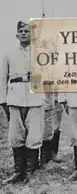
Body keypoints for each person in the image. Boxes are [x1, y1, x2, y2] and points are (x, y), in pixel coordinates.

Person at [1, 21, 46, 184]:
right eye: (21, 31)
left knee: (34, 135)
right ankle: (19, 172)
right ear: (16, 35)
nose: (24, 33)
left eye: (27, 31)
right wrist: (3, 101)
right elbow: (2, 79)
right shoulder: (9, 54)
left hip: (35, 97)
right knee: (16, 135)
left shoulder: (40, 53)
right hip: (15, 98)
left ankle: (30, 171)